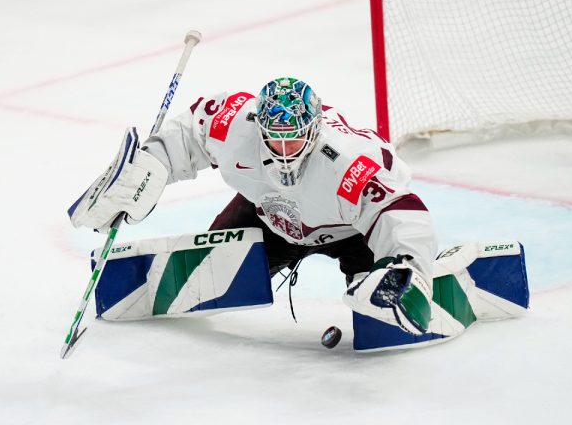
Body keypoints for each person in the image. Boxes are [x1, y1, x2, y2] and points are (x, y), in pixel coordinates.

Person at [69, 77, 438, 335]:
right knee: (209, 264)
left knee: (380, 316)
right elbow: (189, 133)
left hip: (350, 232)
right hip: (268, 215)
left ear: (313, 131)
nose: (281, 152)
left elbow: (401, 212)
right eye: (272, 139)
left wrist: (408, 263)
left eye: (292, 141)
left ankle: (422, 280)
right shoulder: (236, 122)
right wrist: (149, 167)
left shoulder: (347, 163)